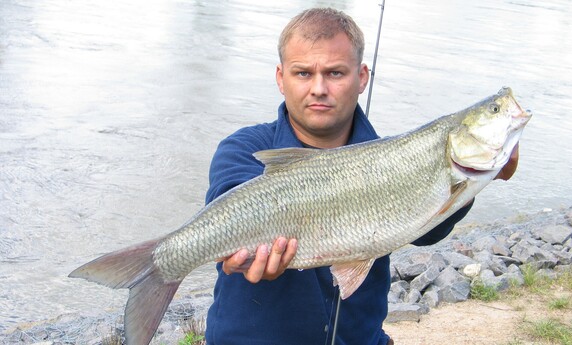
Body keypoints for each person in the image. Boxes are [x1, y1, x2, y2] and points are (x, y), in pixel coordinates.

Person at [204, 7, 519, 345]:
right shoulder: (245, 149)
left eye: (336, 73)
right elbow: (229, 197)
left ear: (362, 77)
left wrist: (474, 184)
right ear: (281, 78)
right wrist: (241, 246)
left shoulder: (390, 157)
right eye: (303, 74)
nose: (319, 88)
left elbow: (429, 231)